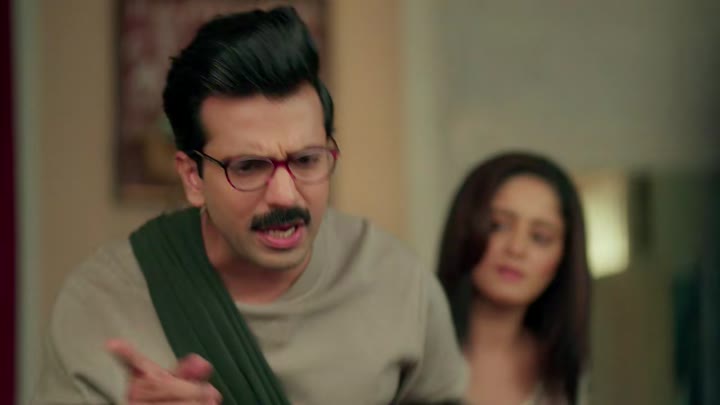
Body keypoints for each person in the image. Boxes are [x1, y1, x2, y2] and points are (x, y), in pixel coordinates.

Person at [32, 7, 466, 405]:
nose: (285, 195)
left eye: (306, 160)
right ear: (192, 177)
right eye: (249, 167)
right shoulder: (102, 302)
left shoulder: (396, 282)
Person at [437, 152, 591, 405]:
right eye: (498, 226)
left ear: (564, 257)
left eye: (540, 237)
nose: (516, 248)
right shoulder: (412, 348)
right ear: (465, 230)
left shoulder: (562, 373)